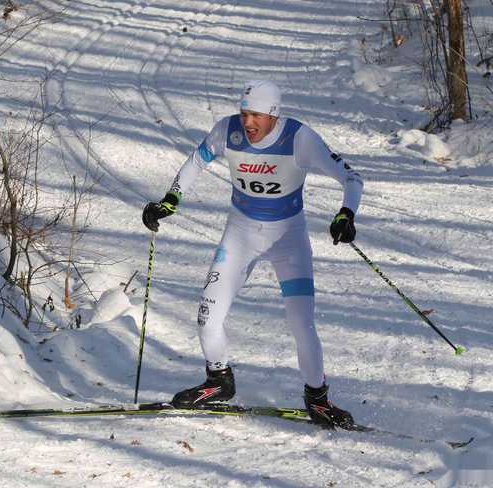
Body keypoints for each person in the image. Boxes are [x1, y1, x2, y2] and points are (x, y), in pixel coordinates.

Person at [142, 80, 363, 428]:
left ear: (273, 114)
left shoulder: (299, 138)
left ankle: (318, 399)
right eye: (244, 113)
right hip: (240, 233)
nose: (247, 123)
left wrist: (346, 214)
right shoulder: (226, 130)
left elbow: (351, 178)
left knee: (301, 325)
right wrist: (171, 199)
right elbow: (195, 162)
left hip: (288, 238)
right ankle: (219, 381)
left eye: (256, 115)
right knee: (207, 316)